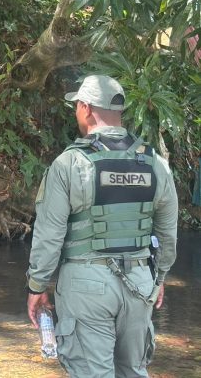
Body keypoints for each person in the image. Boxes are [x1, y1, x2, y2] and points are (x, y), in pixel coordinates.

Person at [26, 75, 178, 377]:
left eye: (76, 107)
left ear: (85, 107)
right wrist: (158, 277)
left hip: (86, 286)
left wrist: (37, 286)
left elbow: (49, 236)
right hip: (138, 281)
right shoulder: (155, 164)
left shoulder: (68, 164)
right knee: (133, 371)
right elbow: (167, 233)